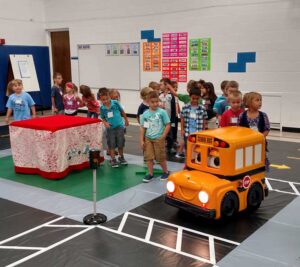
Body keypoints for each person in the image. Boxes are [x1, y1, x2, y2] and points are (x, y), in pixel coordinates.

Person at [140, 91, 171, 182]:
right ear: (148, 102)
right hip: (148, 138)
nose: (155, 104)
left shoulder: (162, 112)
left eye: (157, 101)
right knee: (148, 157)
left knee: (160, 156)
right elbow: (143, 127)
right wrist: (141, 140)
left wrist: (163, 136)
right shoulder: (145, 114)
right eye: (152, 102)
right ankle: (150, 173)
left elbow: (168, 124)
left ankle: (165, 171)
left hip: (159, 138)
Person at [238, 92, 270, 171]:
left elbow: (267, 129)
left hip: (259, 144)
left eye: (260, 100)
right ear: (249, 102)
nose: (260, 102)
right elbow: (238, 129)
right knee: (246, 163)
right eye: (257, 100)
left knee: (259, 164)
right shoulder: (242, 115)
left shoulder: (263, 115)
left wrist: (259, 137)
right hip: (245, 144)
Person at [99, 87, 129, 167]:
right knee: (111, 144)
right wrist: (105, 123)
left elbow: (122, 111)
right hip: (110, 129)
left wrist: (126, 120)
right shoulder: (102, 108)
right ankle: (113, 159)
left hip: (119, 126)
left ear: (109, 97)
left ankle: (121, 157)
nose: (105, 101)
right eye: (103, 100)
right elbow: (102, 117)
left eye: (107, 99)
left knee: (120, 143)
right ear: (101, 100)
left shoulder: (115, 103)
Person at [159, 78, 177, 153]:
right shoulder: (159, 95)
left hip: (169, 119)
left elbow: (173, 109)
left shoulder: (171, 96)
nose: (160, 86)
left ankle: (170, 147)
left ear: (166, 85)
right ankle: (160, 147)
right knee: (161, 134)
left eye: (161, 84)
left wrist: (173, 121)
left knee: (170, 134)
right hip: (160, 119)